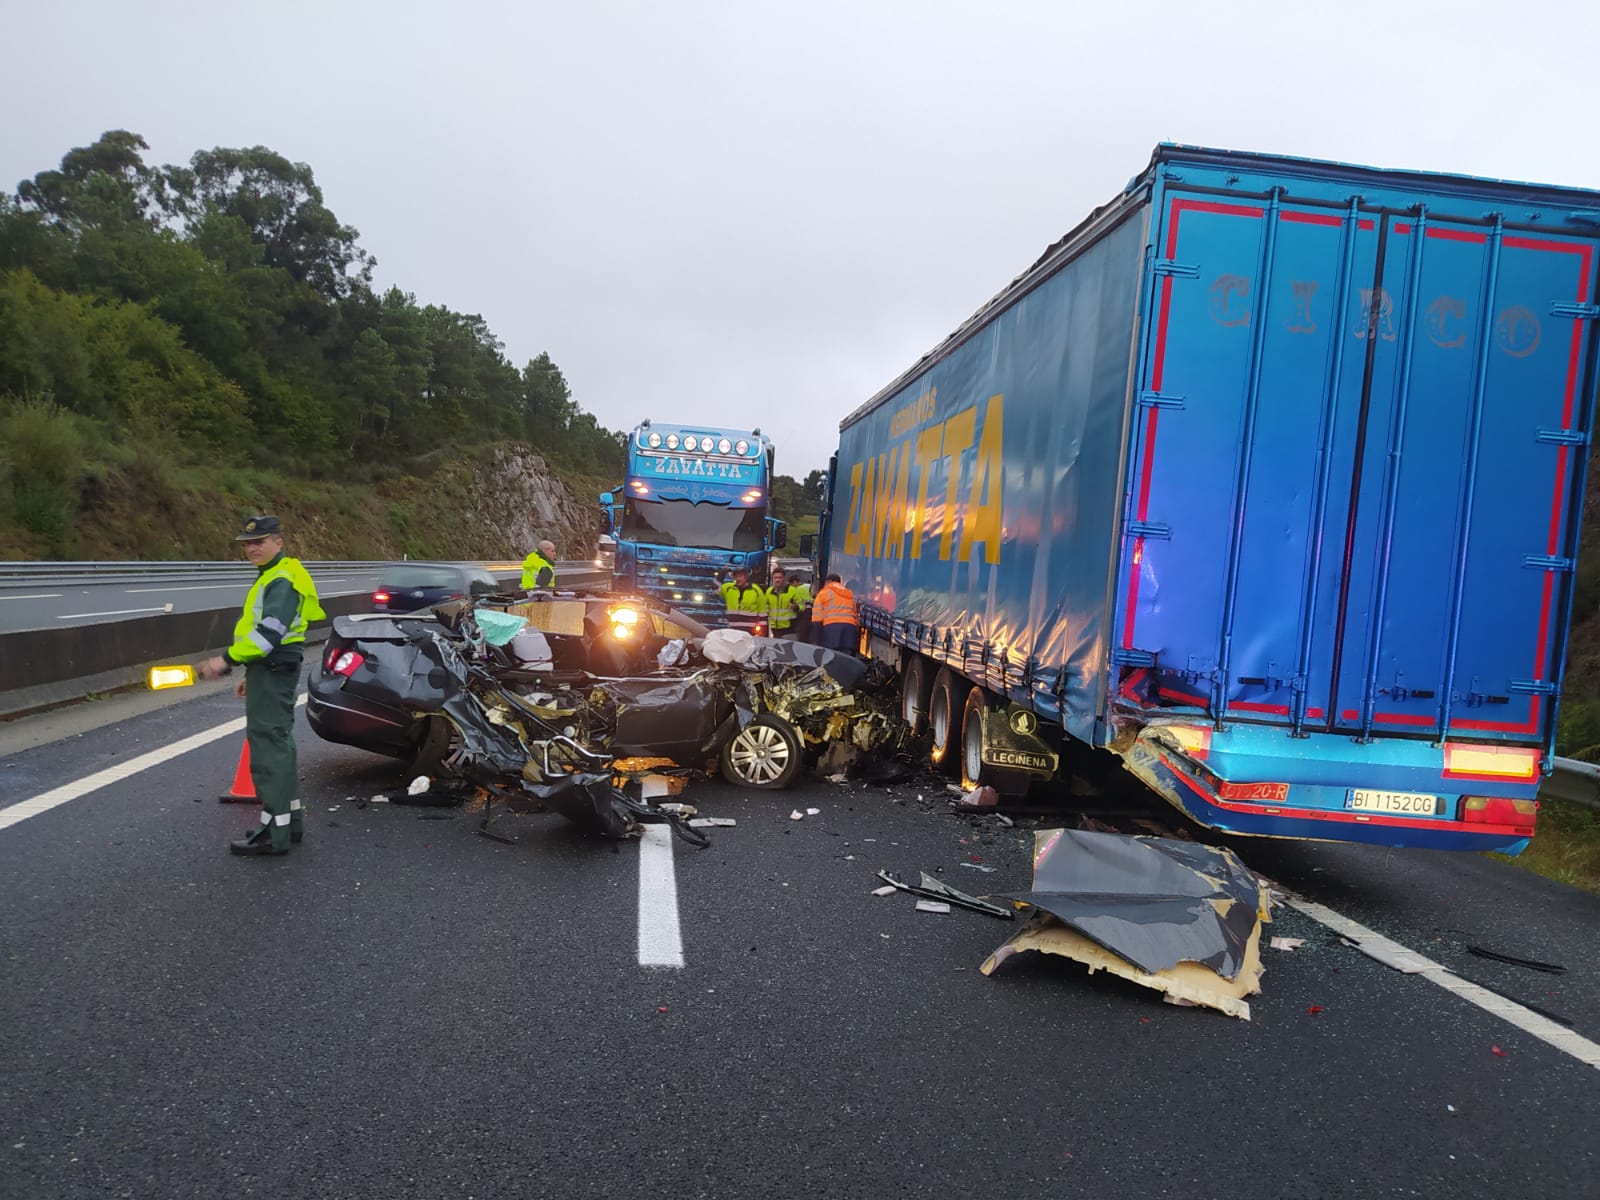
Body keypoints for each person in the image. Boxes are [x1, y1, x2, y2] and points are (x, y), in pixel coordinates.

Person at [198, 515, 325, 856]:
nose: (252, 548)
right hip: (270, 669)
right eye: (248, 544)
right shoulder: (278, 574)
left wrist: (224, 661)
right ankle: (289, 823)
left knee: (268, 749)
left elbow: (268, 634)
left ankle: (273, 833)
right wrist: (250, 674)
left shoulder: (280, 580)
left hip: (273, 668)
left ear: (278, 543)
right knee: (279, 744)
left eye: (260, 542)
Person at [810, 573, 859, 654]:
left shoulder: (823, 593)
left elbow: (817, 619)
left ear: (829, 581)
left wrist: (815, 639)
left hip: (831, 630)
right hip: (849, 629)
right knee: (846, 657)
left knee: (831, 658)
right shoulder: (849, 594)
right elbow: (855, 616)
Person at [765, 567, 811, 639]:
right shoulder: (769, 591)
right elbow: (766, 606)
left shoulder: (792, 591)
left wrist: (796, 607)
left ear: (784, 578)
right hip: (774, 628)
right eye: (775, 578)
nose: (777, 580)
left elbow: (802, 606)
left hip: (789, 628)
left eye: (780, 578)